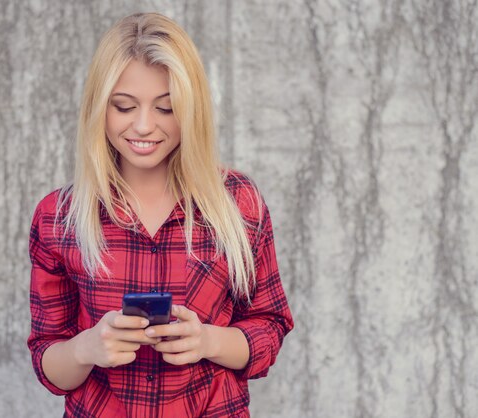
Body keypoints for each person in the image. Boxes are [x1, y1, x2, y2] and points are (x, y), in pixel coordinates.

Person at [27, 12, 293, 417]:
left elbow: (269, 327)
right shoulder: (58, 217)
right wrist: (87, 348)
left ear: (191, 110)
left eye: (166, 108)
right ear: (99, 107)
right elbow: (48, 360)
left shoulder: (239, 204)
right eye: (124, 106)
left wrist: (207, 341)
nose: (144, 125)